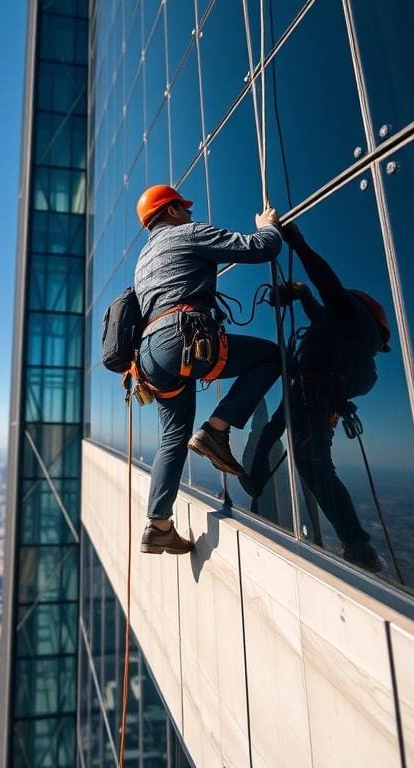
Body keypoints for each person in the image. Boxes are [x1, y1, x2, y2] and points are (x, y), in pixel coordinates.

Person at [133, 184, 283, 555]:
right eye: (183, 208)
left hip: (151, 355)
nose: (190, 213)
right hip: (180, 336)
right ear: (169, 212)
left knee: (172, 438)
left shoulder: (143, 260)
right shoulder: (188, 233)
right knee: (272, 357)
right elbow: (262, 248)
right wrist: (268, 226)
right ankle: (217, 430)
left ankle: (158, 526)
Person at [244, 222, 389, 571]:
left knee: (314, 465)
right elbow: (318, 311)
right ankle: (255, 491)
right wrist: (300, 292)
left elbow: (328, 284)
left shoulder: (350, 316)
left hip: (314, 392)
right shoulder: (343, 330)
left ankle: (358, 545)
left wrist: (298, 243)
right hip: (311, 391)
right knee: (277, 441)